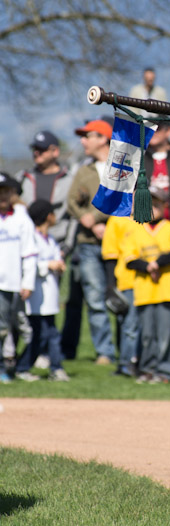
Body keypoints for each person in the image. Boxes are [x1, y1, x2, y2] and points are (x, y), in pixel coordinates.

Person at [67, 119, 116, 364]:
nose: (83, 141)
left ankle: (130, 353)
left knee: (122, 297)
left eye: (89, 135)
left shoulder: (120, 167)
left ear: (104, 138)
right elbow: (71, 202)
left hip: (118, 242)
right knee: (95, 300)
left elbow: (120, 198)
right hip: (87, 244)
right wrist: (85, 220)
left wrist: (95, 217)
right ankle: (105, 352)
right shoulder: (83, 170)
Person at [124, 186, 170, 384]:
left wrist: (157, 262)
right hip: (144, 291)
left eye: (157, 203)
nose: (153, 207)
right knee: (147, 334)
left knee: (165, 335)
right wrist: (148, 266)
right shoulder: (136, 228)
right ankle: (147, 370)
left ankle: (165, 371)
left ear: (164, 205)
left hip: (166, 289)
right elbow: (130, 259)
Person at [15, 200, 70, 382]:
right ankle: (31, 367)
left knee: (48, 334)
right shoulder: (33, 238)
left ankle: (39, 367)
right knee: (44, 335)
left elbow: (55, 257)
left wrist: (59, 264)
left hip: (50, 296)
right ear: (48, 216)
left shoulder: (50, 238)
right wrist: (49, 264)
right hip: (36, 297)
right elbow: (28, 265)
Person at [0, 173, 37, 383]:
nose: (3, 196)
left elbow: (29, 253)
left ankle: (10, 365)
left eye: (6, 191)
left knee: (13, 328)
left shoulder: (21, 217)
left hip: (14, 283)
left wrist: (27, 282)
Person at [101, 214, 139, 377]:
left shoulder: (148, 221)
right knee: (128, 325)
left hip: (149, 282)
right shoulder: (117, 220)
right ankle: (125, 363)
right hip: (126, 280)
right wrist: (110, 284)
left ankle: (135, 362)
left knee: (138, 327)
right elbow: (110, 254)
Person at [144, 120, 170, 221]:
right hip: (146, 223)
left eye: (157, 128)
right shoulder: (139, 158)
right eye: (149, 128)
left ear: (168, 131)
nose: (152, 132)